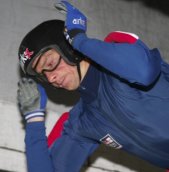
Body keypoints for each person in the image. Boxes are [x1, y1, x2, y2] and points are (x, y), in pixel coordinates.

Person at [17, 1, 169, 172]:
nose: (51, 77)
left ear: (68, 49)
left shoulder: (116, 50)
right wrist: (34, 119)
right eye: (43, 74)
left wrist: (79, 39)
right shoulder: (81, 122)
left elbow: (144, 72)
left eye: (50, 63)